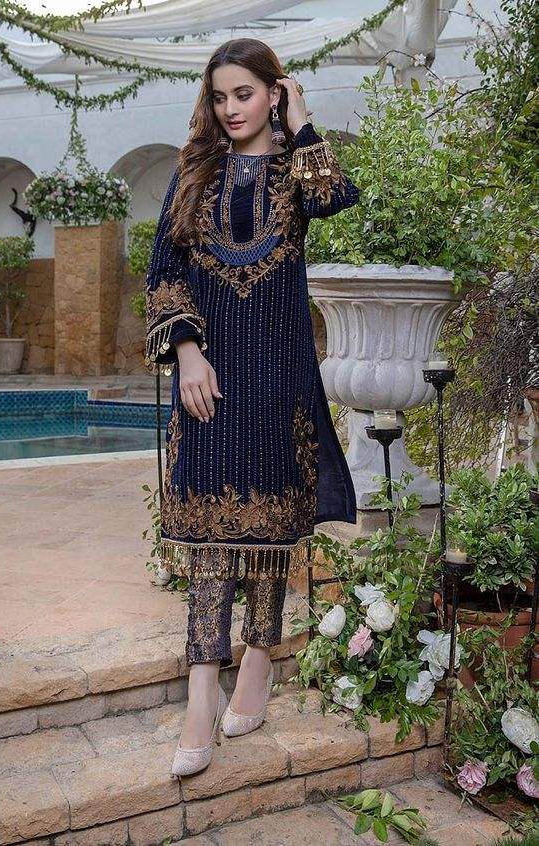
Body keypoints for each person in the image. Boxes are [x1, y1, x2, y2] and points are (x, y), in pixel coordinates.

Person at [144, 37, 360, 778]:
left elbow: (334, 197)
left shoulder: (297, 168)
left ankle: (259, 663)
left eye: (245, 93)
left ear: (273, 91)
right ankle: (201, 692)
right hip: (211, 373)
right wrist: (187, 351)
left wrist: (300, 121)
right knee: (210, 531)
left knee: (269, 526)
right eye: (220, 96)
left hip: (278, 373)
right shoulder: (193, 172)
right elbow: (164, 270)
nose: (230, 108)